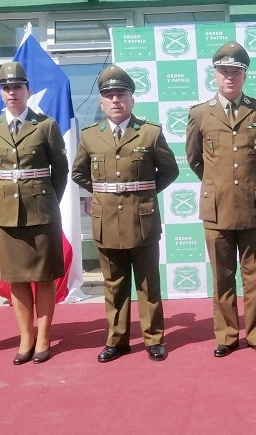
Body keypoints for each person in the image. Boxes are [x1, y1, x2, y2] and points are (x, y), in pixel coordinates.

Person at [72, 65, 179, 363]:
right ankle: (116, 341)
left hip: (142, 220)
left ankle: (153, 339)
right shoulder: (90, 136)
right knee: (114, 285)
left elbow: (170, 170)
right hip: (106, 222)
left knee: (147, 284)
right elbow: (78, 173)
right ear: (102, 102)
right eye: (109, 95)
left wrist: (142, 194)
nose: (115, 100)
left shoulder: (150, 133)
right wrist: (105, 193)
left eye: (121, 94)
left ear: (132, 99)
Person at [185, 41, 256, 357]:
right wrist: (219, 184)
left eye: (236, 72)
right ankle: (227, 335)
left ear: (244, 75)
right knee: (222, 276)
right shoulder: (200, 114)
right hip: (216, 207)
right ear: (215, 74)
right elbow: (194, 159)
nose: (230, 77)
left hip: (253, 206)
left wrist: (251, 185)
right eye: (224, 71)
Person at [0, 62, 69, 364]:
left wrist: (46, 199)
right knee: (16, 278)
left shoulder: (45, 126)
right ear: (1, 92)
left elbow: (61, 169)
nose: (11, 92)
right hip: (6, 214)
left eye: (17, 87)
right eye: (6, 87)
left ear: (27, 91)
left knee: (44, 277)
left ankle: (43, 336)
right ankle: (25, 337)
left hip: (41, 209)